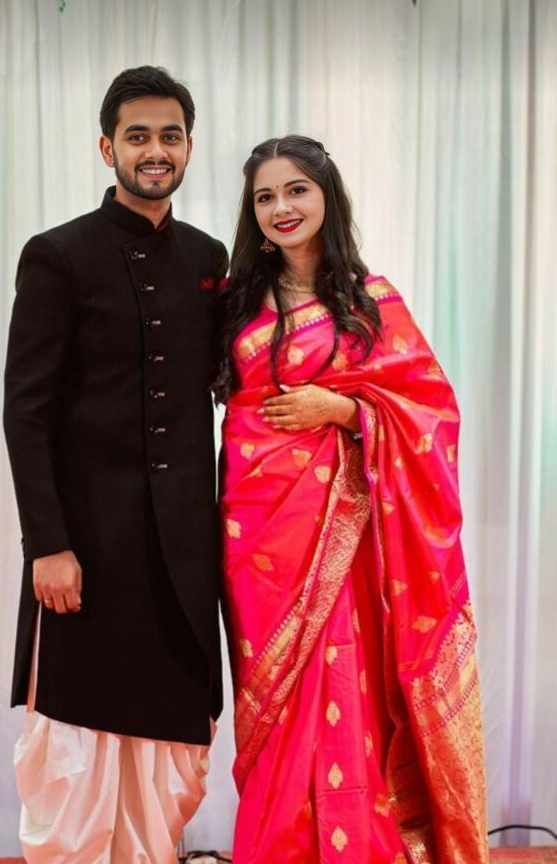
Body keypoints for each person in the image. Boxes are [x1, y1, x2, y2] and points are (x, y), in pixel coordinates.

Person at [215, 135, 488, 864]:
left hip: (351, 531)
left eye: (296, 189)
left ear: (326, 196)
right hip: (260, 536)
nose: (281, 207)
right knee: (278, 704)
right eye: (265, 196)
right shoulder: (233, 301)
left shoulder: (373, 302)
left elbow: (433, 414)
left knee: (348, 680)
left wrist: (340, 410)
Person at [3, 65, 227, 864]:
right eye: (138, 136)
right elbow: (26, 411)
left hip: (180, 559)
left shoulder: (208, 257)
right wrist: (47, 544)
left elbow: (235, 380)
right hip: (86, 553)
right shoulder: (57, 255)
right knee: (76, 758)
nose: (155, 150)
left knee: (172, 763)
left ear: (189, 146)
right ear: (108, 148)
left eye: (170, 135)